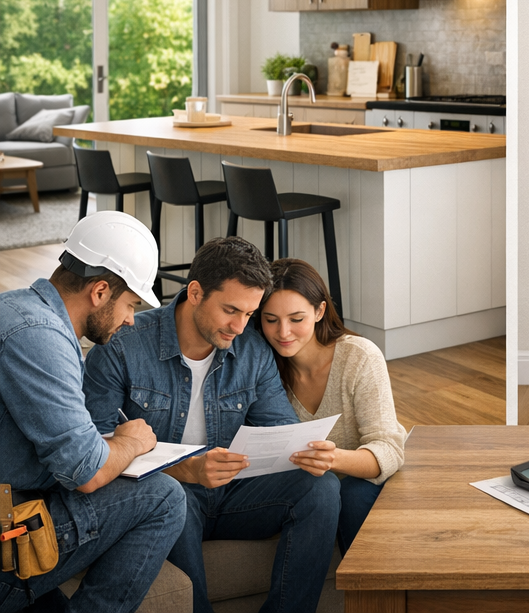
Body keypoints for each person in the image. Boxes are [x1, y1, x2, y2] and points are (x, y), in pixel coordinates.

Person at [83, 237, 340, 613]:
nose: (240, 326)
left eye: (250, 314)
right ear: (196, 292)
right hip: (171, 495)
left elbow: (279, 430)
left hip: (235, 493)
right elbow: (94, 451)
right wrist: (182, 469)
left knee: (321, 487)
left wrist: (305, 452)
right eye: (231, 310)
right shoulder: (123, 345)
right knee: (172, 494)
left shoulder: (252, 350)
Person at [0, 211, 187, 612]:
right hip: (7, 533)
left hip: (16, 494)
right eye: (130, 304)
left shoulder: (16, 308)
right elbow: (85, 473)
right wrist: (130, 443)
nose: (131, 319)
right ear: (100, 291)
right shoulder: (39, 338)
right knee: (165, 497)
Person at [257, 259, 405, 557]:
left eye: (296, 319)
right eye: (270, 319)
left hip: (358, 481)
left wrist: (333, 459)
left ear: (319, 311)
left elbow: (390, 449)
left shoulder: (359, 357)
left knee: (351, 494)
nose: (283, 332)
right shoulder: (262, 365)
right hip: (303, 489)